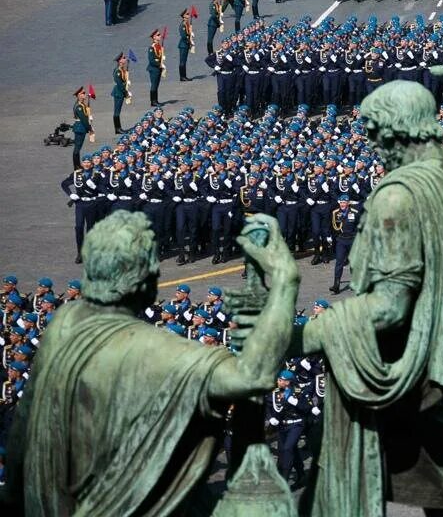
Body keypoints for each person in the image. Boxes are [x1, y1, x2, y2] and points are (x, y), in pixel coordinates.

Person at [289, 42, 443, 517]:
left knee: (361, 489)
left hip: (399, 377)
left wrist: (298, 337)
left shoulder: (397, 199)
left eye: (376, 138)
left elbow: (391, 306)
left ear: (395, 134)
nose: (375, 151)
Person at [4, 211, 301, 514]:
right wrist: (284, 281)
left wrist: (14, 497)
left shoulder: (65, 322)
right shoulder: (160, 349)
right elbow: (252, 377)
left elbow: (24, 429)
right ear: (144, 279)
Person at [70, 87, 94, 170]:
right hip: (80, 128)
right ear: (79, 95)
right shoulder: (79, 106)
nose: (85, 94)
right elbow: (83, 119)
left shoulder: (82, 104)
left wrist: (89, 116)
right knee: (77, 148)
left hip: (80, 127)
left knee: (78, 147)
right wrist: (90, 128)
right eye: (83, 93)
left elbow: (85, 115)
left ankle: (77, 165)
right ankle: (76, 166)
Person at [111, 54, 131, 134]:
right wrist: (126, 93)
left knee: (117, 111)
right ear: (120, 61)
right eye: (124, 58)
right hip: (119, 93)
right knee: (117, 111)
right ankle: (118, 128)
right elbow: (119, 84)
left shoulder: (121, 69)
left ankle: (118, 128)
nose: (125, 59)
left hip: (120, 92)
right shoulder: (118, 71)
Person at [147, 29, 166, 107]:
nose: (160, 36)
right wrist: (160, 64)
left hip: (158, 69)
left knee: (156, 85)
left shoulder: (159, 46)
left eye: (159, 34)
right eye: (158, 35)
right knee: (154, 85)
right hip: (154, 69)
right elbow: (151, 60)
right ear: (154, 37)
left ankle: (156, 100)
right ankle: (153, 101)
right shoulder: (152, 48)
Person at [177, 9, 195, 82]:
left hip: (186, 45)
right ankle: (182, 77)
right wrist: (190, 41)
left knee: (184, 61)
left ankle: (183, 76)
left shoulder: (187, 24)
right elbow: (184, 36)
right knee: (182, 61)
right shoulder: (183, 25)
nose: (188, 15)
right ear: (184, 16)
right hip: (183, 45)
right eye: (187, 14)